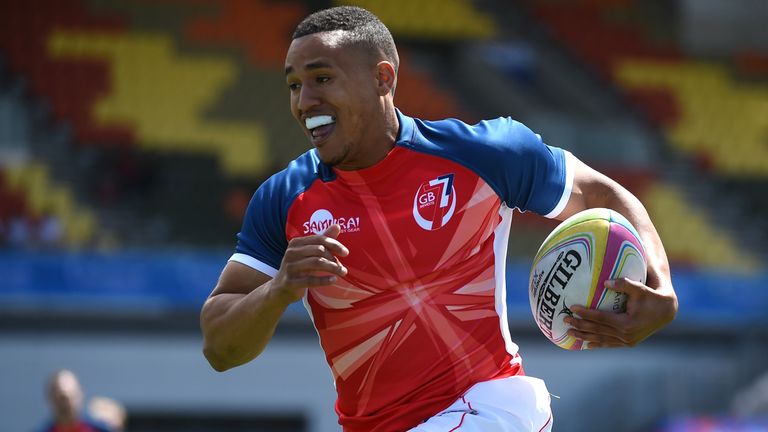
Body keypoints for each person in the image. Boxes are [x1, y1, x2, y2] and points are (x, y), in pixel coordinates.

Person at [200, 6, 678, 431]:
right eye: (293, 85)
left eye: (322, 79)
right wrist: (278, 288)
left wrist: (660, 286)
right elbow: (220, 349)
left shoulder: (486, 152)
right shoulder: (283, 199)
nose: (304, 102)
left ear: (382, 79)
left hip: (493, 407)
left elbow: (602, 193)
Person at [40, 369, 113, 432]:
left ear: (80, 395)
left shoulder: (100, 429)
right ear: (51, 398)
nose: (65, 405)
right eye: (61, 398)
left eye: (71, 396)